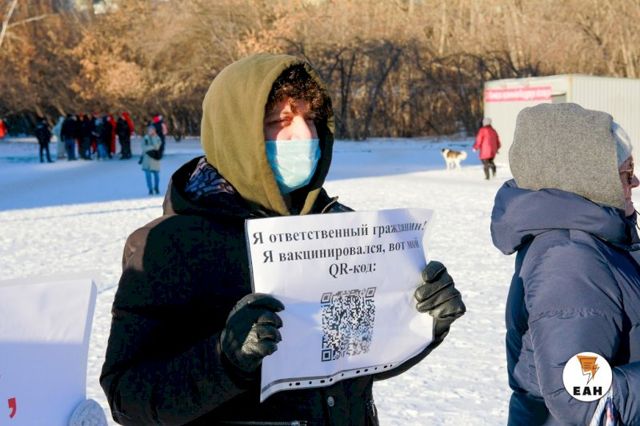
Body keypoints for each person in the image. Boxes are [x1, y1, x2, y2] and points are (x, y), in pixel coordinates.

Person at [100, 53, 466, 425]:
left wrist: (420, 320)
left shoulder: (340, 226)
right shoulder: (169, 245)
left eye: (311, 119)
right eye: (280, 122)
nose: (304, 136)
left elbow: (350, 359)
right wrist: (223, 359)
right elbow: (126, 397)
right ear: (235, 134)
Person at [491, 103, 640, 425]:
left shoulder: (594, 242)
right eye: (626, 173)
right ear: (590, 178)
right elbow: (583, 400)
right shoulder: (570, 259)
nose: (636, 182)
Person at [139, 124, 161, 195]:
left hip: (155, 160)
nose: (151, 131)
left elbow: (157, 147)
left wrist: (153, 138)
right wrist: (152, 147)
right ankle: (150, 189)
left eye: (152, 130)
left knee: (156, 176)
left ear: (154, 131)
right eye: (149, 130)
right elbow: (143, 148)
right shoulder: (145, 138)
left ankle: (156, 188)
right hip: (146, 161)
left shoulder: (157, 138)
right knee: (148, 176)